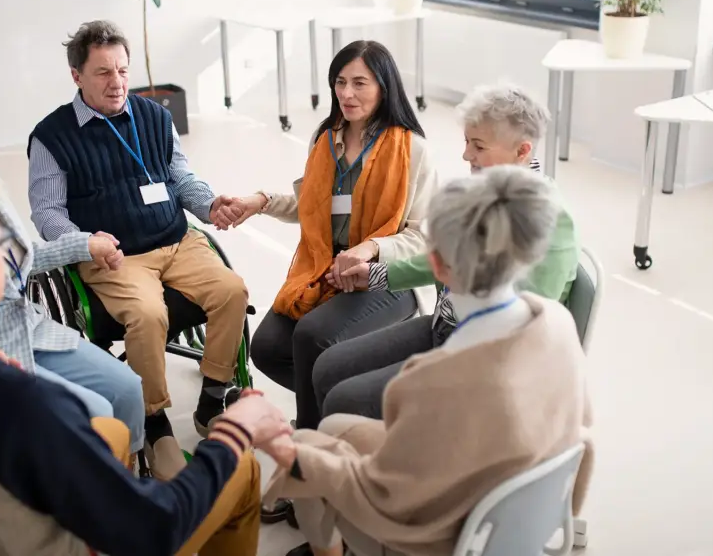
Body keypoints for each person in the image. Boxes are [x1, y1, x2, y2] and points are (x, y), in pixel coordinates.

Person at [0, 183, 291, 556]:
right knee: (240, 471)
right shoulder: (27, 405)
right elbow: (155, 526)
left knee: (110, 435)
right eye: (1, 246)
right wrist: (237, 430)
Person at [257, 166, 593, 556]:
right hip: (519, 501)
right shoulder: (558, 324)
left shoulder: (429, 384)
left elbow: (387, 494)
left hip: (441, 530)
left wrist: (284, 451)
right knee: (331, 425)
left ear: (437, 264)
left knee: (304, 453)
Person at [28, 20, 249, 477]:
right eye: (104, 72)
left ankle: (211, 400)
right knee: (149, 315)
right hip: (115, 255)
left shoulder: (155, 117)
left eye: (123, 71)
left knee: (232, 290)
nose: (118, 82)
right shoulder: (51, 137)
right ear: (77, 76)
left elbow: (181, 178)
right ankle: (154, 421)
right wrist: (85, 243)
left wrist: (211, 206)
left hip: (175, 238)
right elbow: (47, 215)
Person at [311, 82, 580, 422]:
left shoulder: (553, 221)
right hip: (446, 327)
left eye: (478, 146)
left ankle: (369, 464)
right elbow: (448, 259)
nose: (466, 155)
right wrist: (377, 274)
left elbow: (528, 319)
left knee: (344, 401)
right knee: (326, 369)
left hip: (482, 356)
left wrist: (447, 363)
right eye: (467, 142)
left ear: (522, 151)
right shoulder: (487, 189)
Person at [0, 90, 148, 459]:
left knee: (128, 388)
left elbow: (23, 259)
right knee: (95, 414)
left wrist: (86, 244)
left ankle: (128, 479)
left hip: (30, 327)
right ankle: (92, 499)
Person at [218, 40, 438, 432]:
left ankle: (309, 441)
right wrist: (262, 201)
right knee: (266, 349)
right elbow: (313, 207)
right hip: (324, 269)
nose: (347, 94)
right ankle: (338, 410)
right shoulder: (326, 140)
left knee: (311, 337)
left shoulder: (413, 150)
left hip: (384, 276)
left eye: (360, 83)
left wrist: (369, 249)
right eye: (340, 82)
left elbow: (422, 237)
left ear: (384, 87)